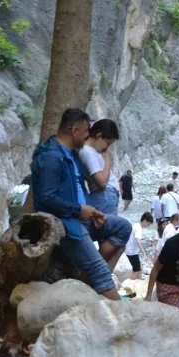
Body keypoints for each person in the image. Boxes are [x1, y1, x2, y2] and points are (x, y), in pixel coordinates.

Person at [31, 108, 131, 300]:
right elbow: (45, 198)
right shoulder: (52, 157)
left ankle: (85, 283)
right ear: (74, 130)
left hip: (81, 217)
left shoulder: (72, 154)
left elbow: (78, 189)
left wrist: (92, 212)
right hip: (66, 224)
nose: (88, 136)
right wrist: (79, 210)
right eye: (86, 132)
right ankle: (122, 317)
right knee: (101, 271)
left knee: (123, 227)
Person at [79, 119, 120, 215]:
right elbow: (102, 182)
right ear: (98, 136)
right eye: (107, 143)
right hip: (103, 195)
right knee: (110, 229)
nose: (107, 148)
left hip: (106, 195)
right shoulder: (88, 152)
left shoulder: (93, 151)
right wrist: (108, 161)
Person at [126, 212, 154, 280]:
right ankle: (129, 284)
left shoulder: (135, 225)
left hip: (128, 250)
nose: (149, 225)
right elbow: (138, 241)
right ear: (145, 221)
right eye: (149, 223)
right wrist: (144, 254)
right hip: (132, 252)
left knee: (139, 268)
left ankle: (140, 282)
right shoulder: (139, 229)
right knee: (136, 270)